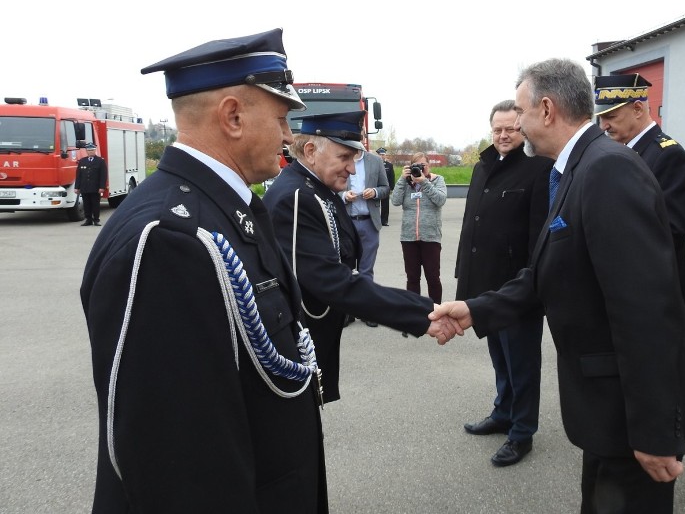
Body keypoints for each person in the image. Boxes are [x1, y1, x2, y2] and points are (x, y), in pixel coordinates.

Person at [431, 58, 685, 513]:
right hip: (606, 409)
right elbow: (549, 270)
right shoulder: (576, 167)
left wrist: (652, 429)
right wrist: (477, 309)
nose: (518, 125)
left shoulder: (607, 169)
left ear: (546, 110)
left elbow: (645, 308)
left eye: (521, 114)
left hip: (630, 414)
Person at [80, 29, 328, 512]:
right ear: (233, 116)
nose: (289, 136)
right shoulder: (167, 242)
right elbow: (178, 467)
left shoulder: (227, 211)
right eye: (281, 118)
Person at [263, 112, 455, 403]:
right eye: (344, 158)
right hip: (299, 351)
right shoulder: (297, 198)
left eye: (354, 159)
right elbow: (334, 283)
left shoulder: (315, 190)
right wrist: (419, 313)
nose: (353, 169)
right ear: (311, 151)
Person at [456, 99, 552, 467]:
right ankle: (503, 412)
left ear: (523, 130)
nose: (503, 135)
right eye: (497, 128)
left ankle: (522, 431)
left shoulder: (539, 169)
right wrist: (464, 279)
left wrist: (532, 286)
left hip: (518, 289)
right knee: (499, 356)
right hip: (483, 287)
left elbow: (539, 235)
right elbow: (471, 226)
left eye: (511, 128)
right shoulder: (483, 167)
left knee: (522, 361)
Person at [595, 74, 685, 312]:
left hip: (654, 292)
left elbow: (673, 230)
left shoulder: (667, 155)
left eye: (611, 116)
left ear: (638, 108)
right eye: (600, 118)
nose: (604, 126)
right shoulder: (617, 152)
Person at [391, 151, 447, 303]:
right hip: (408, 237)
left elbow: (440, 200)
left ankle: (436, 311)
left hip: (431, 237)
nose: (420, 169)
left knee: (433, 278)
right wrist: (402, 179)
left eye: (423, 165)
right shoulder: (406, 183)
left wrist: (424, 182)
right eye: (417, 166)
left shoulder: (438, 180)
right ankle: (414, 312)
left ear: (428, 165)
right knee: (412, 278)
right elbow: (395, 201)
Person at [341, 133, 389, 283]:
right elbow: (328, 187)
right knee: (345, 267)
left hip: (370, 222)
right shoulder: (340, 158)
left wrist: (374, 192)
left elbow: (386, 188)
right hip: (346, 222)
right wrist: (344, 195)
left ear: (363, 139)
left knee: (366, 270)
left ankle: (366, 302)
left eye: (359, 137)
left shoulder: (375, 161)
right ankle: (347, 304)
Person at [74, 142, 107, 226]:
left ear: (95, 150)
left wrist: (102, 187)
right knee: (86, 204)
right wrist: (77, 187)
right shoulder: (82, 161)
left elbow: (103, 175)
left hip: (95, 187)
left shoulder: (100, 161)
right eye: (89, 150)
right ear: (86, 151)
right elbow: (78, 175)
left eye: (92, 150)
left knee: (95, 204)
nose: (90, 152)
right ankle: (88, 219)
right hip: (85, 187)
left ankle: (96, 220)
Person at [377, 147, 395, 226]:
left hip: (385, 187)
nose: (382, 156)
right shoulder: (374, 164)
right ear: (378, 155)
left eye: (383, 154)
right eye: (380, 155)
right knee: (375, 205)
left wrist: (391, 188)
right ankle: (376, 220)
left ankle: (384, 221)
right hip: (376, 187)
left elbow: (392, 177)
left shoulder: (389, 165)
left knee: (385, 205)